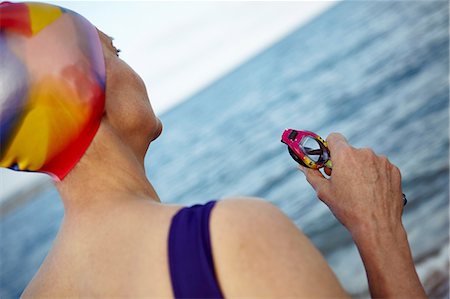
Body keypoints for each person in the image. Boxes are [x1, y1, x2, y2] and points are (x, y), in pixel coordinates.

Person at [1, 2, 427, 298]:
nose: (131, 67)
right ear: (79, 84)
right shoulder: (229, 238)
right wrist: (378, 228)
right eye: (114, 51)